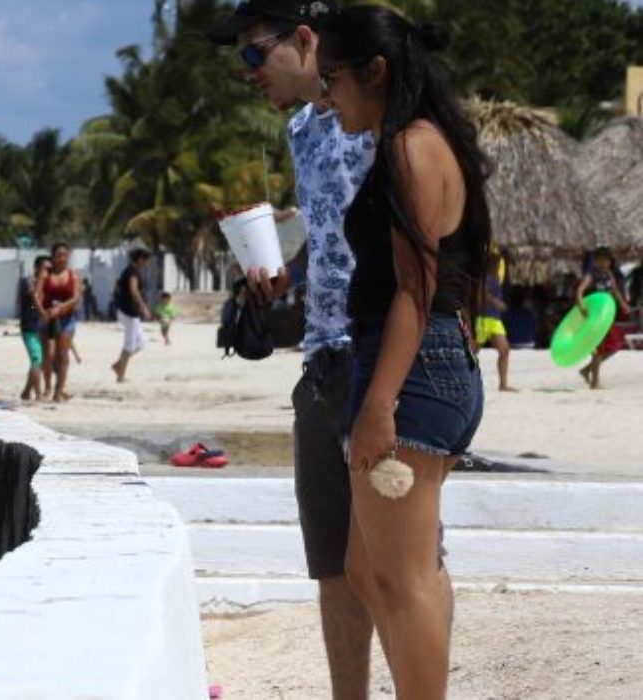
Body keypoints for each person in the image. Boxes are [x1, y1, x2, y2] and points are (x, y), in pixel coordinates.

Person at [316, 8, 490, 697]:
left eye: (332, 78)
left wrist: (378, 406)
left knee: (402, 579)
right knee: (370, 571)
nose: (327, 96)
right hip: (423, 365)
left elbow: (416, 290)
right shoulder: (427, 140)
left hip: (413, 372)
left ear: (375, 71)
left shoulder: (409, 148)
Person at [211, 3, 378, 696]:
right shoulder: (301, 130)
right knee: (334, 564)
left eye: (255, 54)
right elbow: (333, 234)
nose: (248, 72)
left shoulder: (380, 115)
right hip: (322, 367)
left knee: (403, 567)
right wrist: (280, 277)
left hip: (381, 357)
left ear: (303, 40)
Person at [576, 247, 633, 390]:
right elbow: (580, 291)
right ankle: (595, 383)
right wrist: (582, 306)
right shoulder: (591, 274)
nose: (603, 262)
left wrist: (623, 304)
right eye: (600, 259)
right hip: (594, 317)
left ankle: (586, 370)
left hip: (606, 316)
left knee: (615, 345)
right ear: (595, 261)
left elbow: (615, 291)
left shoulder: (609, 274)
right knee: (598, 349)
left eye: (606, 260)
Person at [33, 244, 81, 402]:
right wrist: (42, 313)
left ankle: (59, 391)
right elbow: (36, 295)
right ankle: (48, 387)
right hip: (47, 318)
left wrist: (60, 308)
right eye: (58, 255)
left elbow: (76, 298)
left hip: (66, 319)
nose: (62, 258)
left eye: (64, 255)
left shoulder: (73, 274)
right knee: (48, 355)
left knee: (63, 356)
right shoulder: (46, 274)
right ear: (53, 257)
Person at [112, 248, 156, 383]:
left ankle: (118, 365)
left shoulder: (131, 270)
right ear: (140, 259)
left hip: (131, 312)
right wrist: (144, 308)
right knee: (129, 344)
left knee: (140, 344)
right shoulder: (132, 271)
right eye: (146, 260)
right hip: (128, 311)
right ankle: (121, 376)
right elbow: (134, 290)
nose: (147, 263)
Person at [476, 248, 515, 392]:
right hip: (483, 319)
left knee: (504, 350)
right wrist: (496, 303)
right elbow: (482, 293)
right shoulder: (485, 276)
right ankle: (468, 382)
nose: (499, 264)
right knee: (472, 353)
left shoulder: (497, 277)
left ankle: (503, 384)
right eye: (497, 261)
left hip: (495, 319)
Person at [17, 257, 51, 402]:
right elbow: (33, 296)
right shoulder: (28, 281)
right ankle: (38, 394)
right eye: (45, 269)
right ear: (37, 268)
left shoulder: (47, 283)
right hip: (29, 326)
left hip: (41, 327)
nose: (47, 272)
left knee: (38, 361)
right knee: (36, 359)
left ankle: (26, 392)